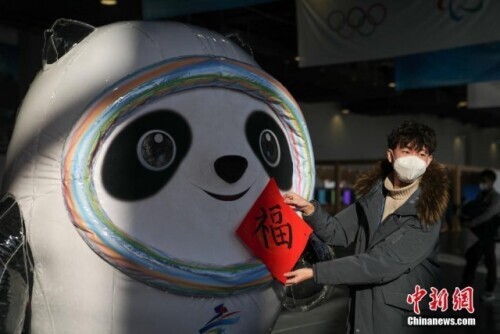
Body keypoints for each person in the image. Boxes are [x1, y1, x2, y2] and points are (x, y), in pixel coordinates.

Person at [283, 121, 449, 334]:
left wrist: (316, 272)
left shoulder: (427, 212)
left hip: (399, 319)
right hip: (363, 307)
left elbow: (380, 264)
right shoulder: (373, 197)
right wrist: (310, 209)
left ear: (429, 161)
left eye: (422, 155)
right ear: (391, 155)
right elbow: (338, 232)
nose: (414, 161)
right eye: (407, 151)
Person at [460, 169, 500, 302]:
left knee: (490, 262)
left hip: (488, 235)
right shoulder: (481, 195)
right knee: (472, 261)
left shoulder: (496, 197)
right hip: (477, 235)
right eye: (481, 180)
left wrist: (471, 222)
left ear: (491, 182)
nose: (482, 183)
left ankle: (489, 290)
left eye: (485, 180)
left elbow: (488, 214)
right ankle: (465, 290)